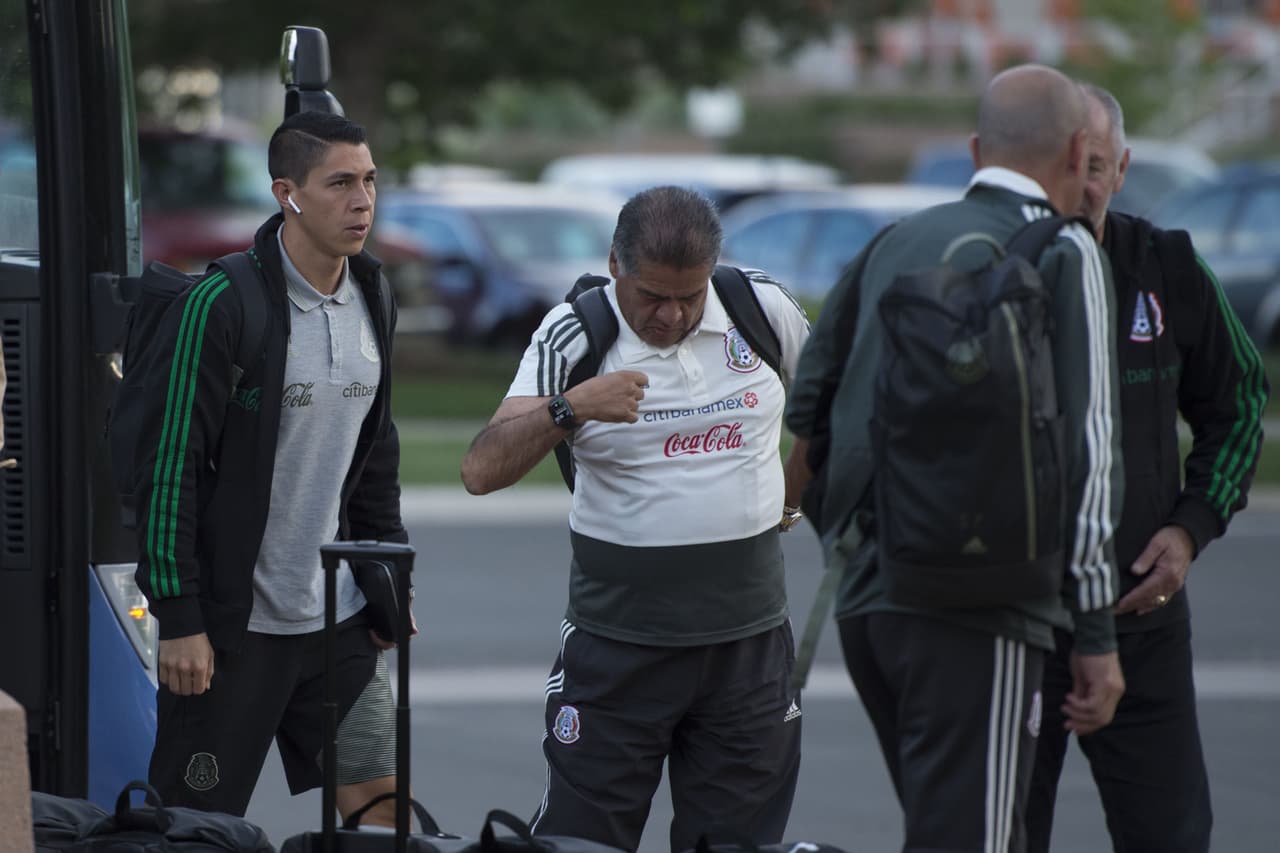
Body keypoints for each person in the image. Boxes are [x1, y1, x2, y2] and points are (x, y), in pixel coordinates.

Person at [785, 64, 1126, 853]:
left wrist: (854, 540)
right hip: (984, 607)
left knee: (948, 827)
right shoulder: (1068, 251)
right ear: (1081, 151)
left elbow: (809, 414)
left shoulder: (892, 241)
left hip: (869, 596)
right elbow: (1090, 455)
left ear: (977, 149)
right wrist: (1097, 634)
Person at [460, 185, 812, 852]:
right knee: (579, 841)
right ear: (616, 265)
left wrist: (789, 495)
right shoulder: (575, 331)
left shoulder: (757, 305)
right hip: (618, 649)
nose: (673, 314)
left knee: (737, 841)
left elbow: (832, 398)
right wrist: (572, 407)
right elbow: (480, 470)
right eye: (652, 295)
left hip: (750, 648)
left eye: (690, 294)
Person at [130, 110, 409, 826]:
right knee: (194, 827)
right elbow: (169, 466)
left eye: (370, 180)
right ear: (288, 193)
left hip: (338, 621)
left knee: (383, 813)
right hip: (232, 632)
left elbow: (374, 450)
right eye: (340, 182)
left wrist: (386, 582)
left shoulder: (375, 292)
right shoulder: (222, 303)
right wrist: (181, 615)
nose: (363, 200)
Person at [1024, 84, 1269, 853]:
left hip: (1140, 620)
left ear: (1123, 168)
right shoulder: (988, 274)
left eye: (1097, 164)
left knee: (1171, 835)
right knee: (996, 836)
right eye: (1069, 165)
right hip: (1014, 624)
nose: (1083, 182)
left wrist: (1191, 529)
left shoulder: (1168, 266)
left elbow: (1241, 401)